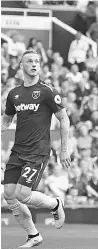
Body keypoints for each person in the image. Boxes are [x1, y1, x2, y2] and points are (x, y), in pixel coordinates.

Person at [1, 50, 71, 248]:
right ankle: (33, 235)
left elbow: (64, 118)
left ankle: (56, 204)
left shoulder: (47, 91)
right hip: (18, 151)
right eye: (29, 61)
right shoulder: (14, 94)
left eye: (37, 61)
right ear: (21, 66)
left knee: (23, 194)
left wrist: (64, 150)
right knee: (8, 194)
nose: (34, 64)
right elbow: (6, 119)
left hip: (38, 151)